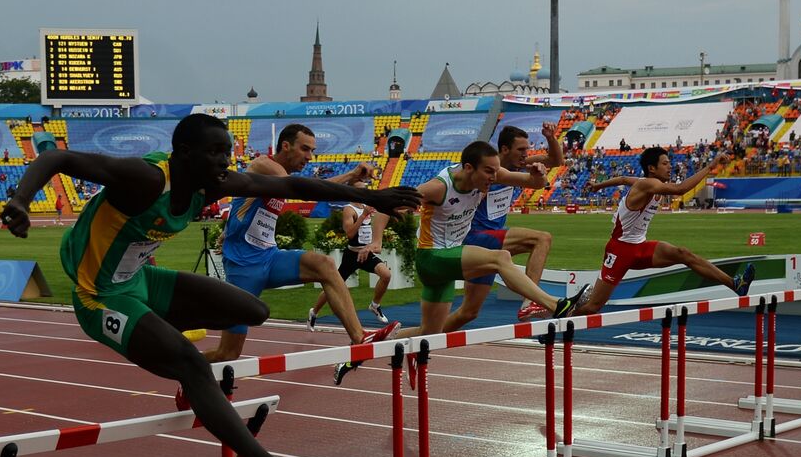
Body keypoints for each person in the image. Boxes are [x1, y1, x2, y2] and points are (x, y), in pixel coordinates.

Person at [0, 113, 421, 457]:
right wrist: (21, 200)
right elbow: (57, 156)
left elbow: (293, 189)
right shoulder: (145, 180)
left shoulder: (211, 185)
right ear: (183, 153)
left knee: (252, 310)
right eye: (215, 152)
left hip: (143, 282)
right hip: (100, 296)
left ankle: (160, 333)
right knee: (191, 366)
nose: (225, 161)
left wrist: (370, 196)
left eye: (227, 152)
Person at [385, 140, 591, 387]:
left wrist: (537, 177)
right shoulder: (439, 187)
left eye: (496, 172)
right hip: (432, 257)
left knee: (431, 333)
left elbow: (533, 183)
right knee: (500, 258)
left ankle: (383, 341)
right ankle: (554, 304)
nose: (494, 178)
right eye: (489, 172)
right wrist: (375, 241)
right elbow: (385, 206)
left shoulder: (493, 175)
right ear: (469, 168)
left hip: (448, 262)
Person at [206, 124, 399, 369]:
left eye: (312, 150)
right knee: (228, 353)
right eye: (305, 149)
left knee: (324, 264)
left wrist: (351, 176)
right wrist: (354, 180)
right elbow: (308, 191)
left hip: (269, 258)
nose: (310, 157)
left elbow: (307, 189)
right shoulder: (264, 165)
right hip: (243, 268)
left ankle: (360, 337)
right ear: (285, 146)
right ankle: (191, 372)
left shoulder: (282, 177)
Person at [572, 147, 755, 316]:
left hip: (639, 247)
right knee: (593, 307)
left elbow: (622, 179)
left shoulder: (645, 183)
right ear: (652, 168)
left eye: (670, 163)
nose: (670, 167)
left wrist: (598, 186)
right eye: (665, 164)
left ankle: (736, 284)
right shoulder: (648, 185)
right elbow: (680, 189)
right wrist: (710, 166)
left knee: (683, 254)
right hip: (619, 250)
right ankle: (557, 324)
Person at [449, 122, 564, 329]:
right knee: (541, 239)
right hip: (477, 236)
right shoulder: (486, 171)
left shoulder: (519, 166)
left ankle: (421, 337)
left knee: (468, 313)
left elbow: (556, 160)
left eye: (527, 149)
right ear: (504, 150)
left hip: (492, 241)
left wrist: (550, 137)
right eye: (521, 150)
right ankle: (531, 302)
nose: (525, 154)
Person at [307, 174, 392, 330]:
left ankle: (375, 305)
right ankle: (314, 311)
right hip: (352, 255)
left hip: (366, 253)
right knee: (334, 286)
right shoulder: (349, 209)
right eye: (360, 190)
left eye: (365, 189)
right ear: (352, 192)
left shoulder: (367, 205)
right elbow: (350, 234)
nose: (363, 192)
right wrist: (364, 215)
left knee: (386, 275)